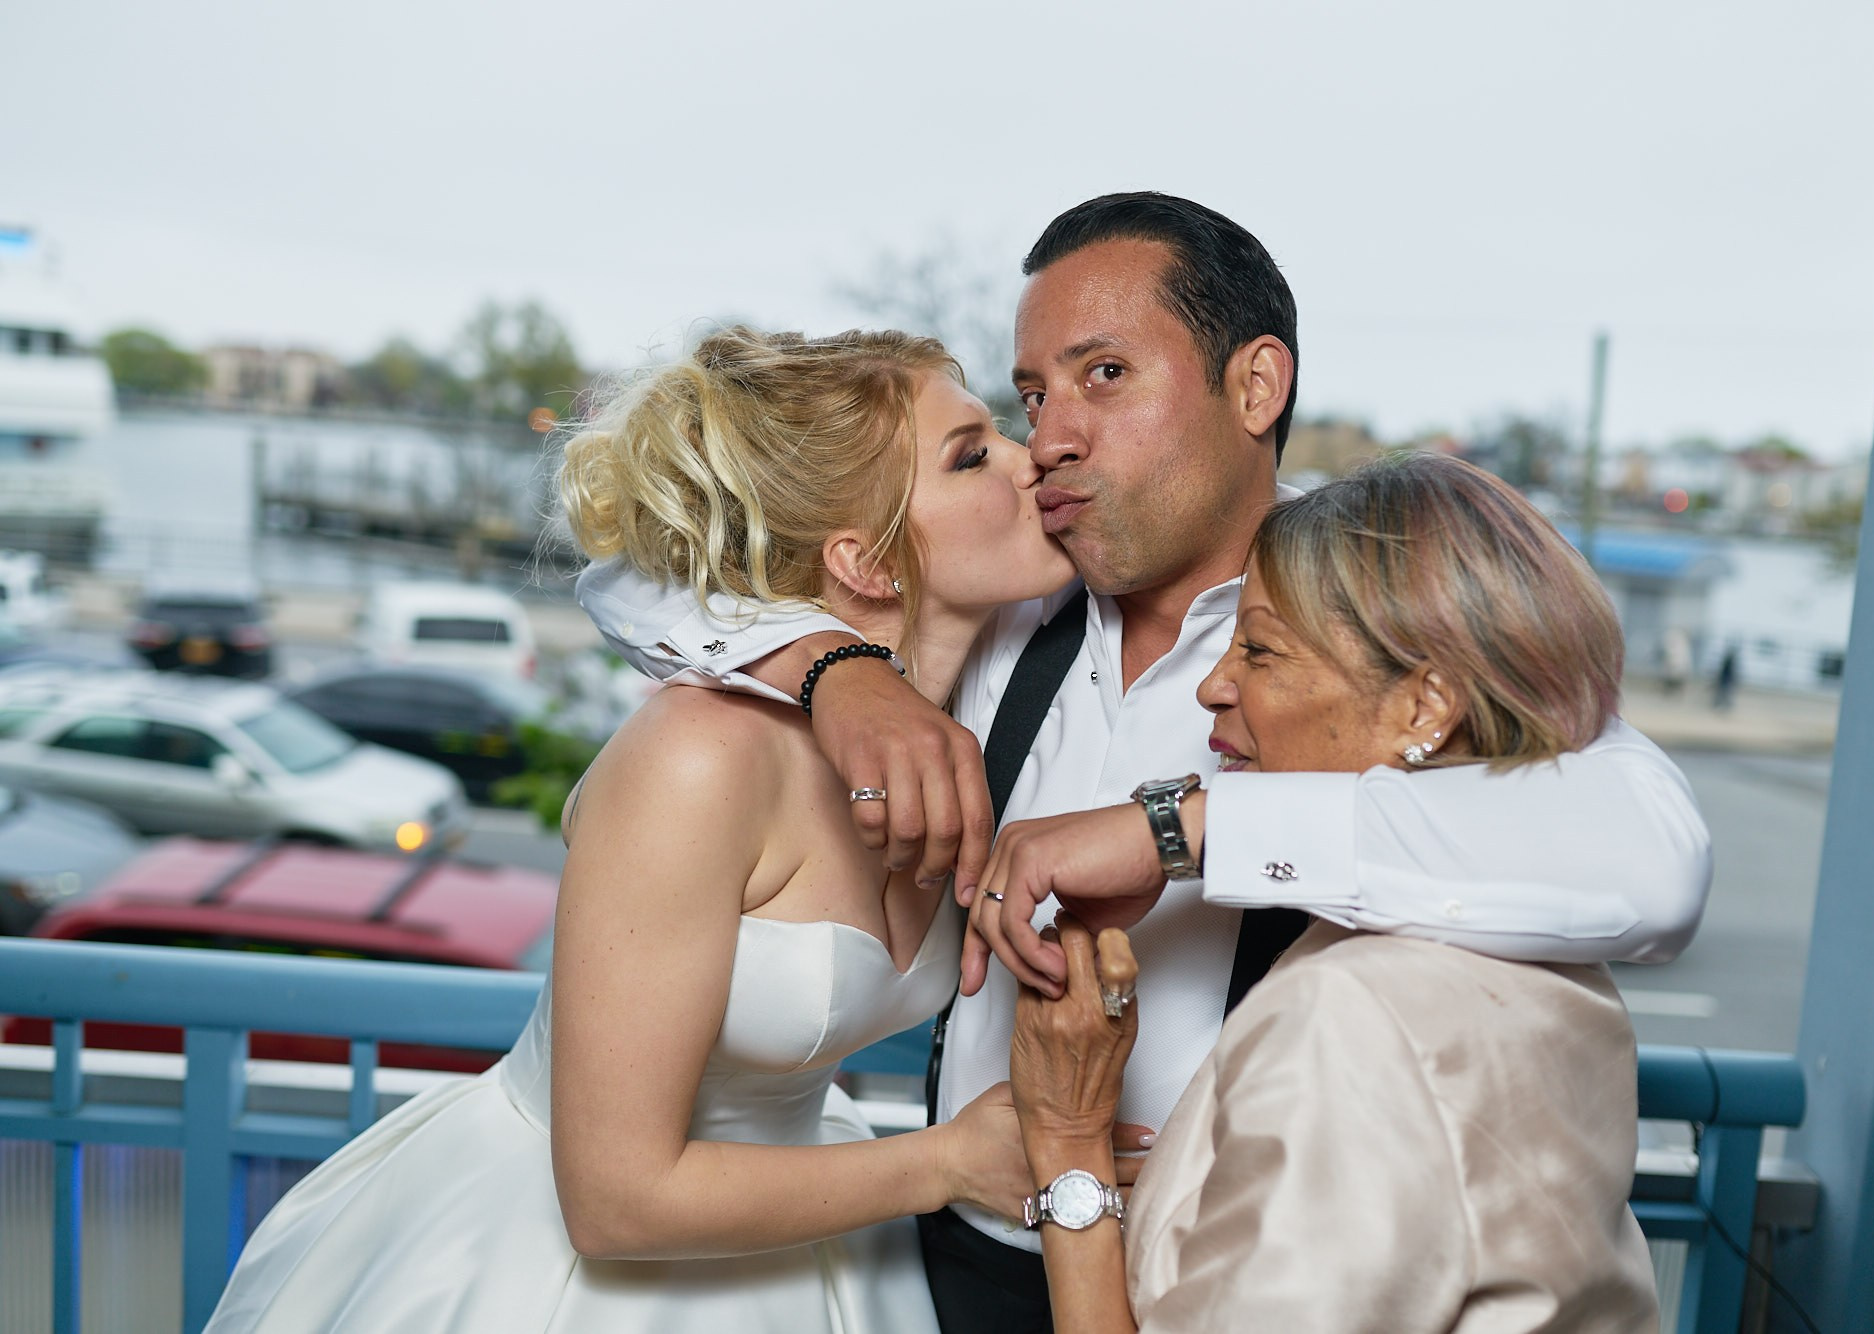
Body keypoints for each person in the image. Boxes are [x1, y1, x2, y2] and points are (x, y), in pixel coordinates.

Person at [578, 192, 1710, 1334]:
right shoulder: (1006, 602)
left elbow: (1651, 859)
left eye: (1103, 374)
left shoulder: (1367, 622)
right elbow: (640, 572)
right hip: (938, 1268)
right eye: (1031, 395)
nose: (1050, 435)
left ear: (1254, 386)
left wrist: (1176, 828)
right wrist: (829, 664)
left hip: (1221, 1289)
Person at [204, 327, 1126, 1333]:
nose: (1025, 455)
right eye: (970, 453)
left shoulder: (983, 705)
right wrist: (947, 1160)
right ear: (861, 560)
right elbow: (611, 1198)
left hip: (809, 1243)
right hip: (578, 1272)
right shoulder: (699, 757)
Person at [1010, 455, 1658, 1332]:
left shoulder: (1346, 1021)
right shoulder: (1539, 946)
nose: (1214, 683)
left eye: (1261, 649)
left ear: (1425, 707)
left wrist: (1068, 1144)